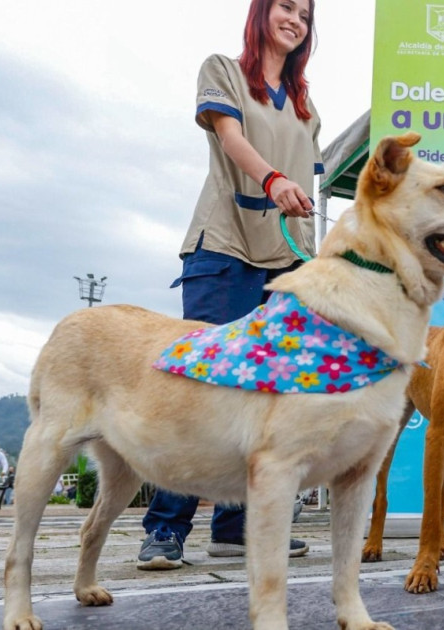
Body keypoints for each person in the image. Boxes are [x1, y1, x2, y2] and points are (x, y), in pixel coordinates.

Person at [138, 0, 323, 570]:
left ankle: (238, 528)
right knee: (200, 387)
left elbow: (311, 188)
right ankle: (165, 529)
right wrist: (272, 179)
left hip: (285, 258)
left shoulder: (305, 104)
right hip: (223, 246)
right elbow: (232, 140)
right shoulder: (223, 70)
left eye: (306, 13)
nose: (296, 18)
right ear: (263, 13)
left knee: (271, 391)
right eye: (286, 7)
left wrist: (313, 266)